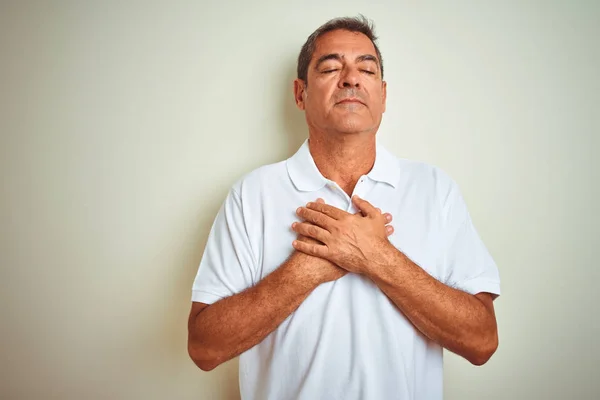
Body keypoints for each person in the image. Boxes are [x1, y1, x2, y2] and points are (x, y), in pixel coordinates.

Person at [187, 15, 500, 400]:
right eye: (332, 67)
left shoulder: (435, 190)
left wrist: (375, 257)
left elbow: (482, 340)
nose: (351, 79)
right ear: (300, 94)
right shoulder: (252, 195)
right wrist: (307, 269)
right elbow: (203, 347)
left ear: (383, 95)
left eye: (366, 69)